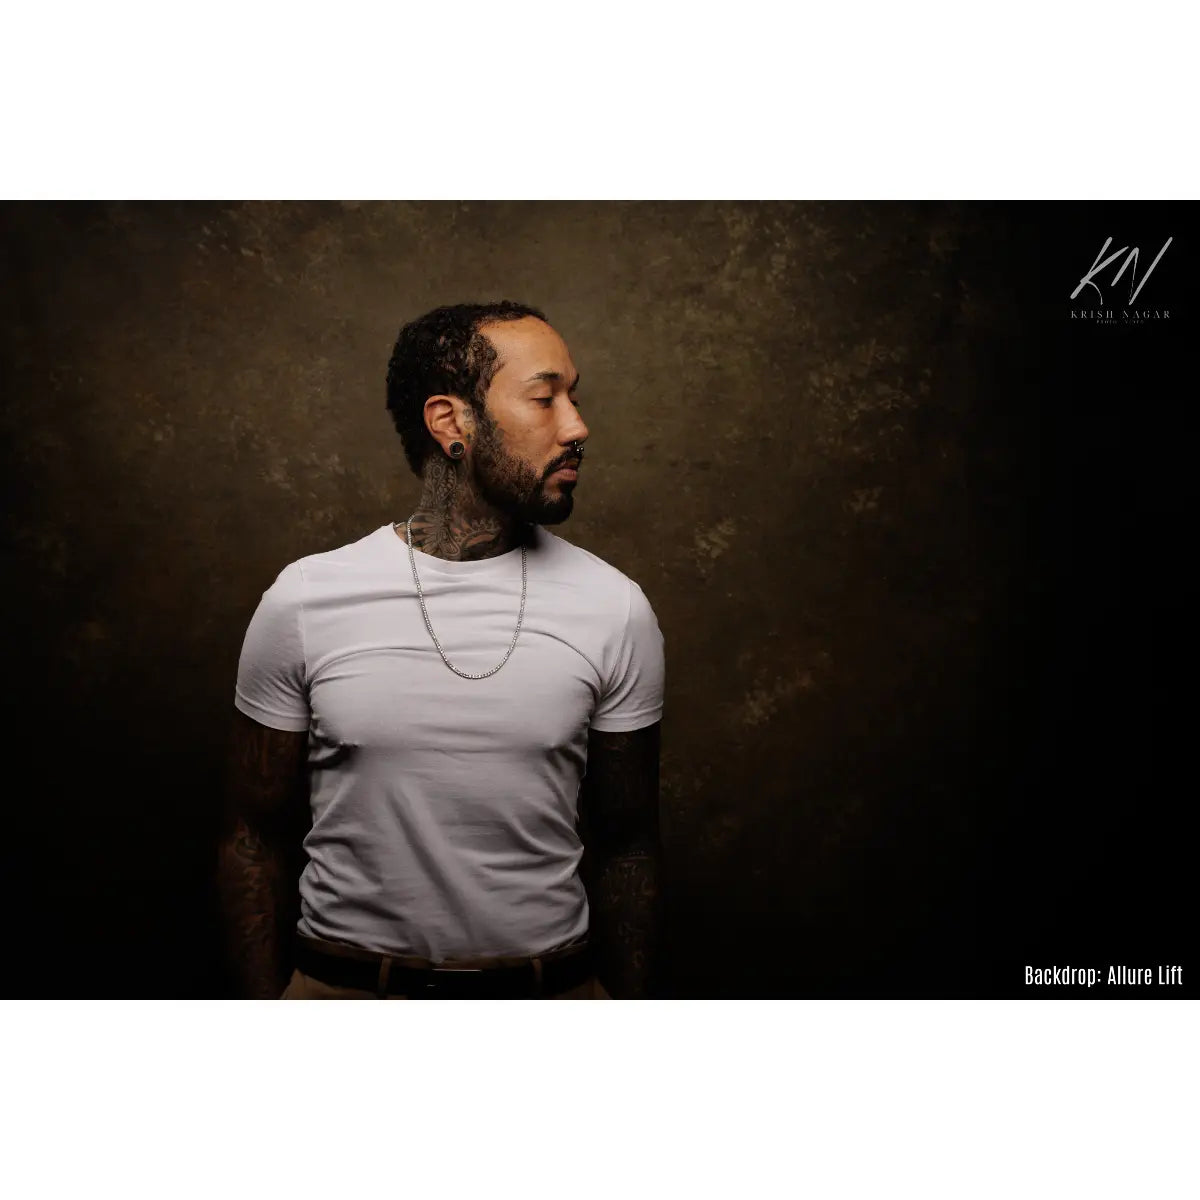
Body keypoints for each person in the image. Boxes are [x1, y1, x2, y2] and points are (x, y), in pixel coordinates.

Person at [217, 301, 665, 999]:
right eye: (545, 398)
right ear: (451, 422)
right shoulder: (305, 600)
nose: (577, 427)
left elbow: (629, 843)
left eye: (574, 398)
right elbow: (253, 835)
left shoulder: (614, 607)